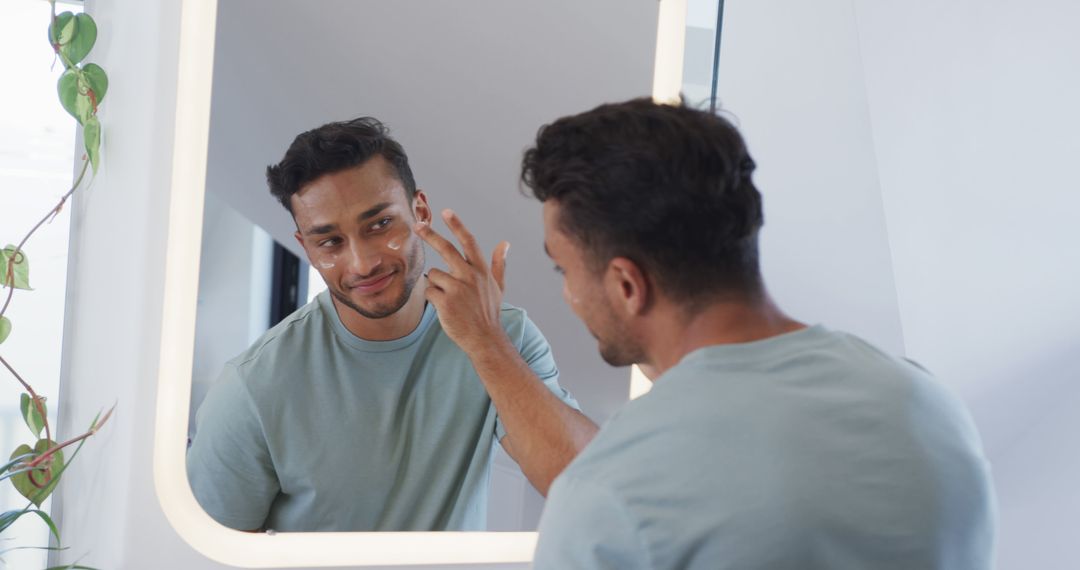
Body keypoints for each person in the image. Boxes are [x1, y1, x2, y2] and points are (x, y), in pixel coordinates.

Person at [512, 98, 996, 568]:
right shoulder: (928, 405)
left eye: (563, 271)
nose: (568, 294)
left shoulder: (611, 492)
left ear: (626, 285)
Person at [186, 117, 597, 532]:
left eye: (380, 225)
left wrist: (487, 343)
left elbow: (585, 486)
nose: (363, 263)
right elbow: (199, 554)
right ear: (305, 247)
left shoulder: (502, 335)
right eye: (330, 241)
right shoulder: (253, 388)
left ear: (420, 211)